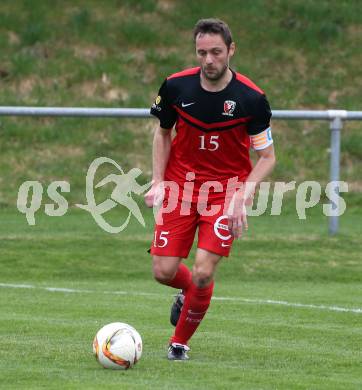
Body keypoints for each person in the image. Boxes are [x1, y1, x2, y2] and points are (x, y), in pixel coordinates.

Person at [144, 18, 276, 360]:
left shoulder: (251, 98)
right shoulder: (175, 87)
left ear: (231, 50)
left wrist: (241, 197)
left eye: (216, 52)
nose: (209, 60)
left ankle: (179, 343)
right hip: (180, 187)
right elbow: (162, 133)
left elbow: (267, 157)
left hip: (224, 194)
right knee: (163, 272)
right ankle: (189, 292)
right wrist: (159, 182)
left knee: (203, 272)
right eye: (202, 52)